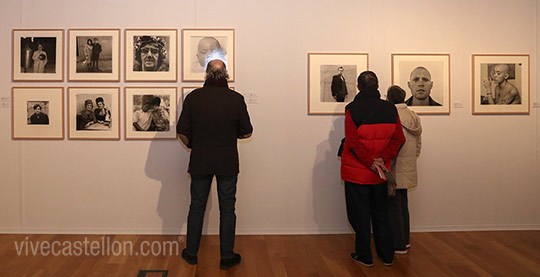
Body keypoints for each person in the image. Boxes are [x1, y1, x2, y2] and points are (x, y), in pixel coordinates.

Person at [177, 59, 253, 270]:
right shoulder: (236, 99)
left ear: (206, 74)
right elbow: (247, 131)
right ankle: (226, 256)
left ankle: (191, 253)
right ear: (226, 74)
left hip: (200, 159)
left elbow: (182, 131)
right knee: (228, 208)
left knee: (196, 206)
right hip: (227, 161)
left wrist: (195, 145)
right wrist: (233, 134)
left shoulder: (193, 98)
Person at [341, 71, 405, 267]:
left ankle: (364, 255)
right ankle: (386, 255)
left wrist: (370, 161)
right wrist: (382, 159)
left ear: (358, 87)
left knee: (359, 216)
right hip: (379, 172)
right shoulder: (390, 109)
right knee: (381, 214)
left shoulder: (352, 109)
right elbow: (399, 139)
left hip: (357, 171)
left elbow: (352, 142)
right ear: (378, 86)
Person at [386, 85, 422, 255]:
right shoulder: (413, 115)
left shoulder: (393, 116)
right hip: (409, 166)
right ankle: (405, 240)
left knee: (394, 206)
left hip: (395, 166)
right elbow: (418, 145)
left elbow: (393, 144)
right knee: (403, 204)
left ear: (389, 98)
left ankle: (398, 244)